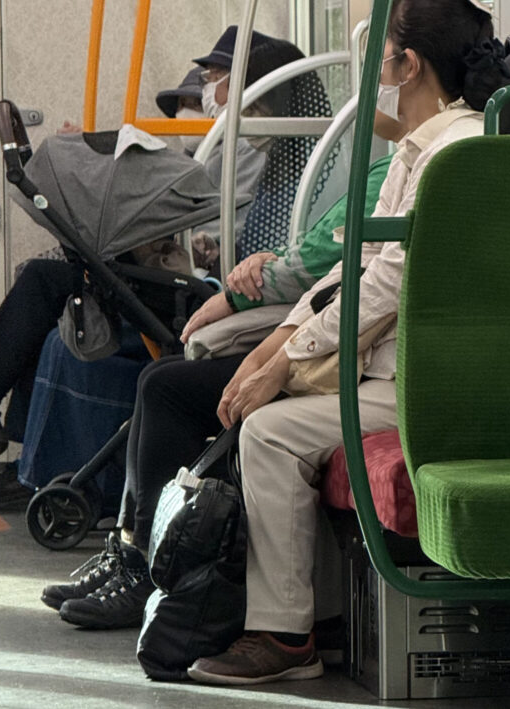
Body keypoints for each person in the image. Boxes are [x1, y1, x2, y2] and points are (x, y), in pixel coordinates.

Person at [180, 0, 510, 685]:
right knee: (265, 410)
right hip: (401, 374)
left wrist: (288, 362)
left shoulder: (455, 154)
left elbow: (385, 288)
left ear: (406, 65)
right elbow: (349, 267)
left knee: (269, 433)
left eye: (373, 60)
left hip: (429, 388)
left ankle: (285, 633)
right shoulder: (418, 150)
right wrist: (278, 341)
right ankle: (318, 617)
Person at [40, 131, 399, 627]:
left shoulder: (403, 168)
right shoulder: (396, 164)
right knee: (161, 376)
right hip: (328, 328)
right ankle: (131, 549)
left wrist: (245, 303)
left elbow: (333, 266)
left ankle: (148, 564)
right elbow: (330, 260)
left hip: (355, 354)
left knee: (169, 389)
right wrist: (259, 277)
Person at [0, 30, 300, 509]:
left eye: (214, 78)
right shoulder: (238, 144)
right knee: (51, 285)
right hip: (204, 275)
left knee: (44, 278)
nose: (204, 88)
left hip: (208, 285)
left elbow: (212, 222)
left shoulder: (247, 147)